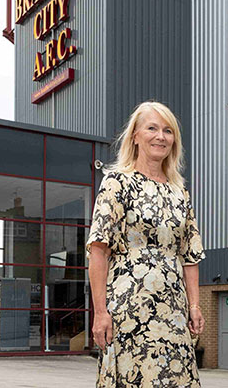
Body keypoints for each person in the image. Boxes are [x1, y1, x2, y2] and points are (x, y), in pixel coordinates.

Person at [86, 101, 205, 387]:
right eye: (152, 128)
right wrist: (100, 312)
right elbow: (98, 250)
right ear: (135, 136)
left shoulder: (180, 193)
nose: (160, 136)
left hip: (173, 311)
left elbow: (189, 255)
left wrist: (195, 305)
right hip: (128, 309)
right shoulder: (116, 182)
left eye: (168, 130)